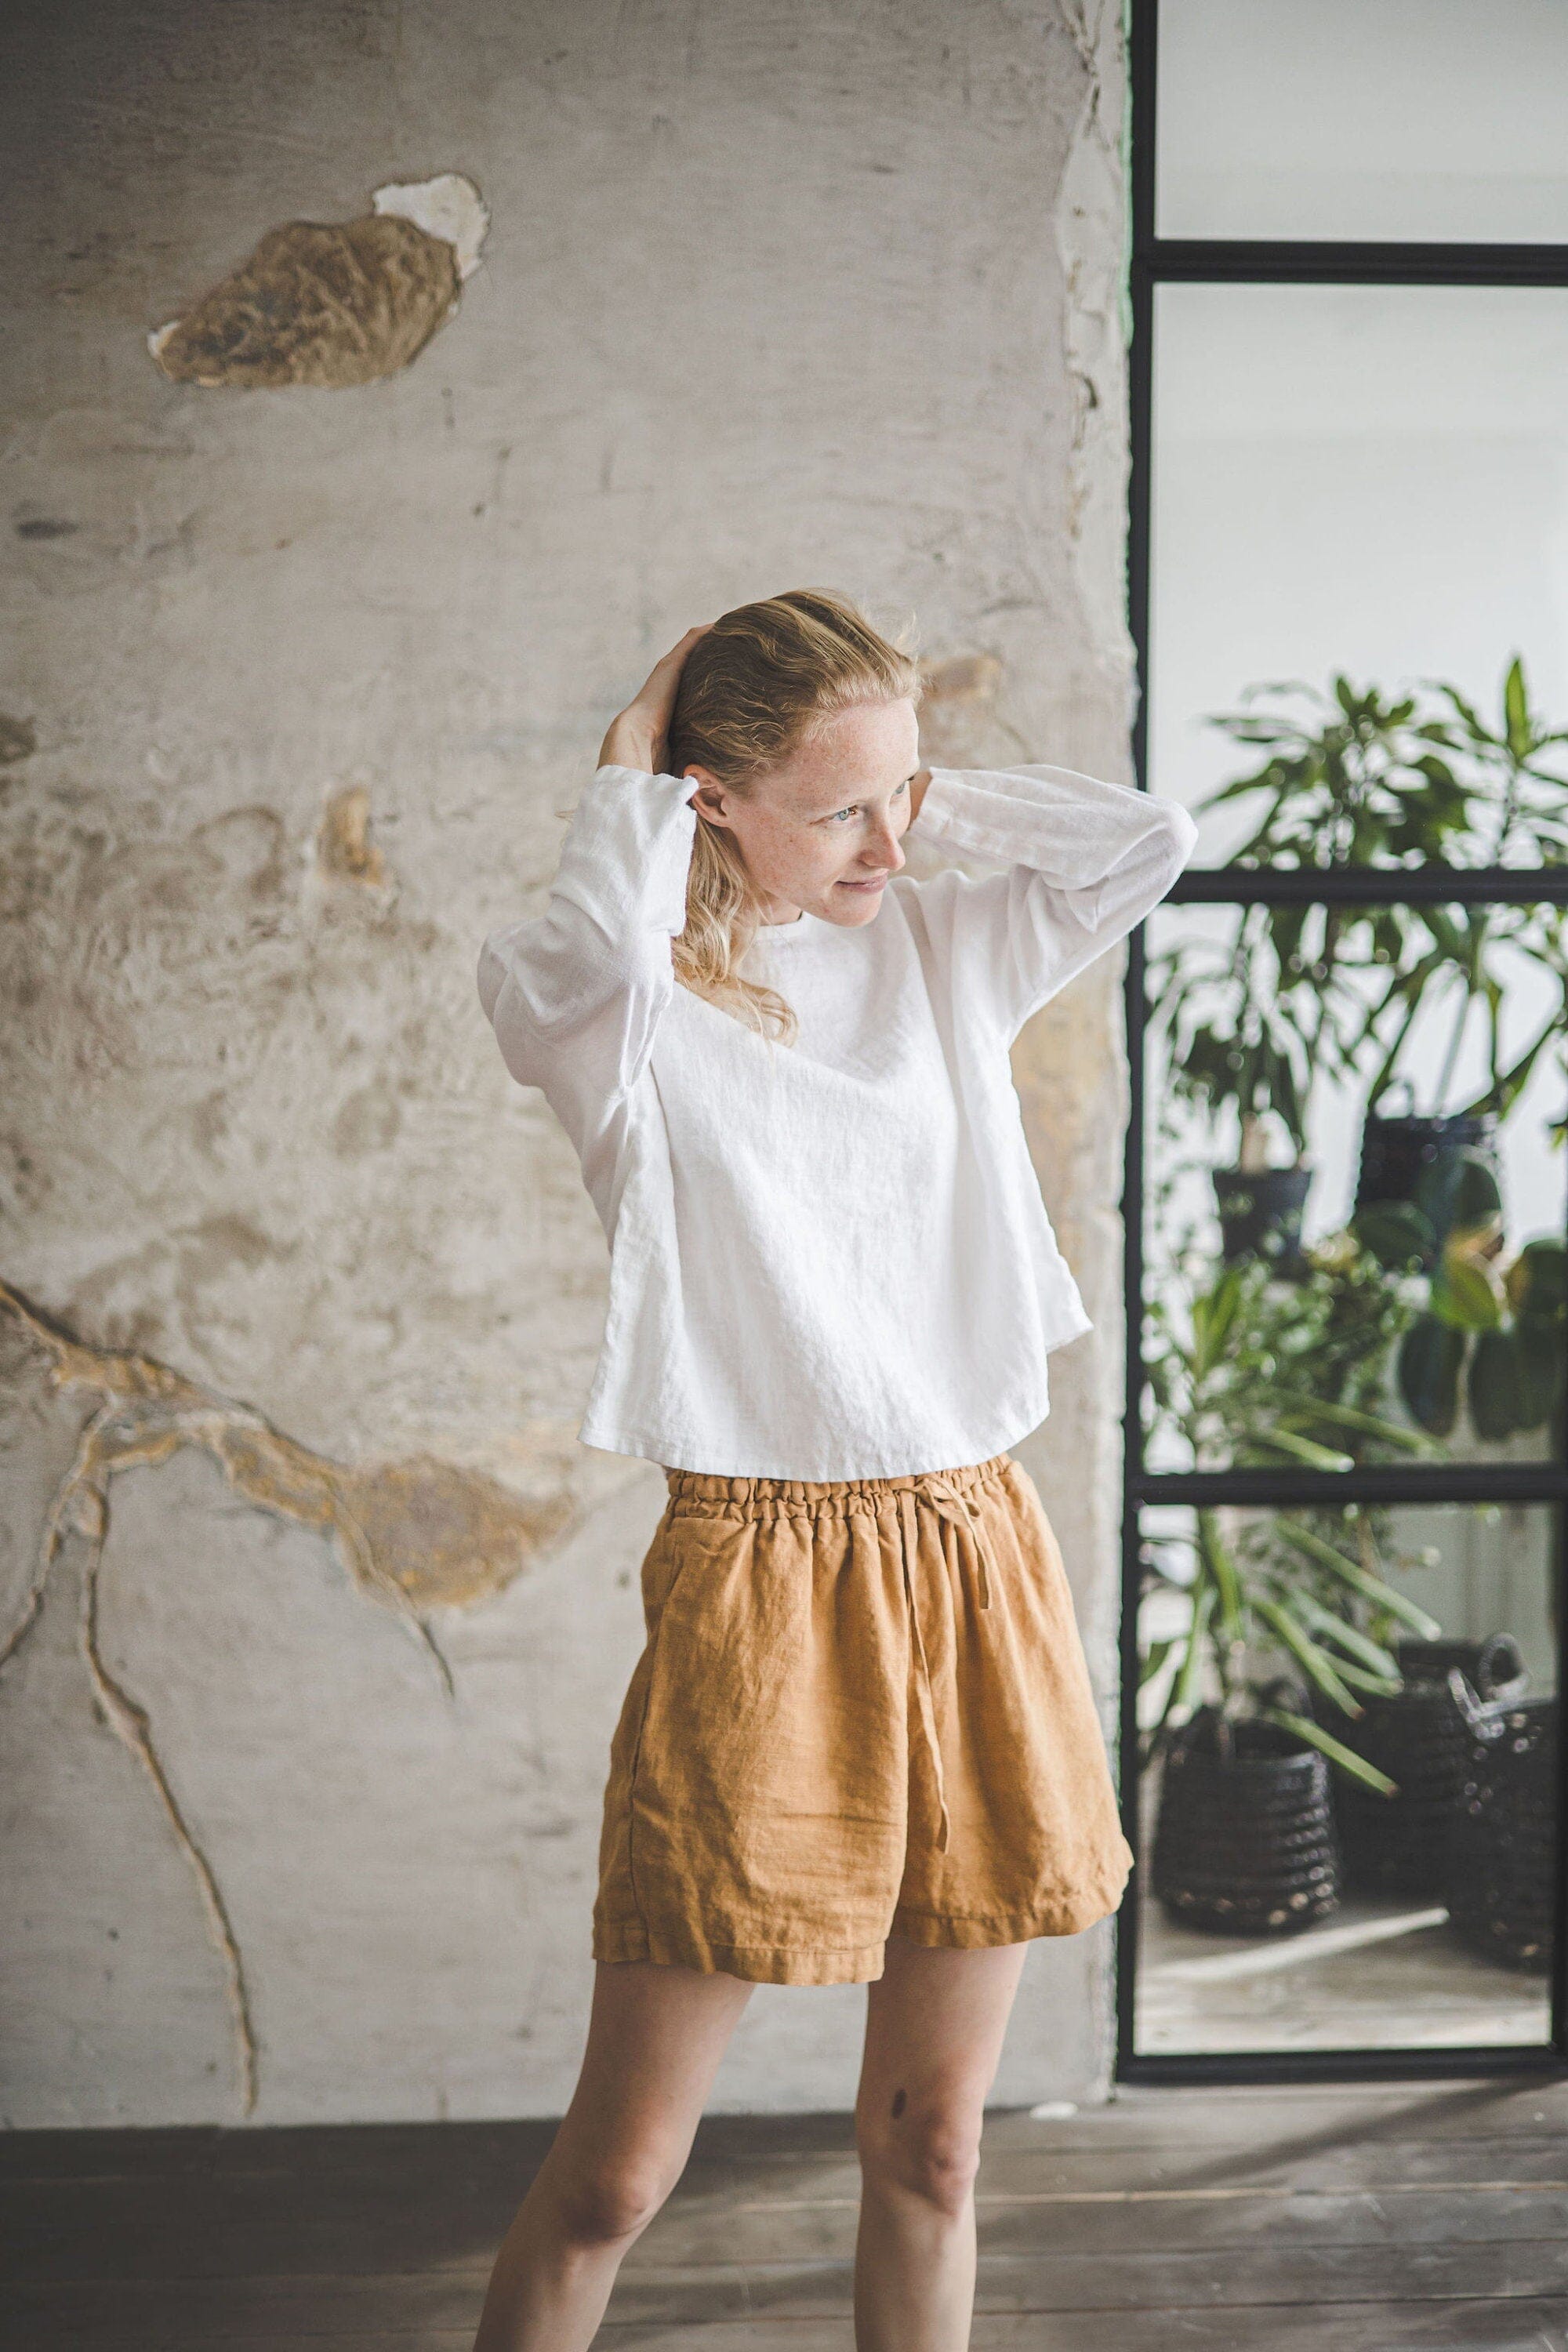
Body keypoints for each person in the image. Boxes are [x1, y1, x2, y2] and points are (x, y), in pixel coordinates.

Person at [471, 590, 1197, 2350]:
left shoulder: (938, 941)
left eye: (908, 795)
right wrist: (634, 759)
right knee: (615, 2182)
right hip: (763, 1571)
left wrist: (907, 786)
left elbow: (1142, 845)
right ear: (705, 800)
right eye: (841, 807)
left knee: (934, 2146)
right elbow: (578, 952)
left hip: (974, 1545)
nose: (888, 843)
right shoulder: (618, 1015)